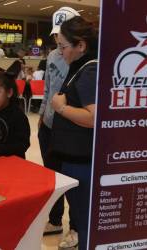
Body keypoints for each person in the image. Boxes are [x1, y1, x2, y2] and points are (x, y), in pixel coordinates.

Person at [51, 16, 98, 250]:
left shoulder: (89, 72)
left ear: (81, 46)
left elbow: (94, 117)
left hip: (82, 162)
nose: (60, 52)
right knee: (81, 215)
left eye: (63, 47)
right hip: (74, 159)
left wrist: (61, 108)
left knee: (84, 219)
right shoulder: (79, 67)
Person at [38, 6, 80, 249]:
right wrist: (43, 114)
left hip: (72, 128)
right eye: (56, 35)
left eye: (62, 35)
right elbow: (47, 88)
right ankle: (55, 220)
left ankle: (76, 227)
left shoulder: (84, 59)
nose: (57, 40)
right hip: (50, 125)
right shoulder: (53, 56)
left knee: (73, 179)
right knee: (52, 177)